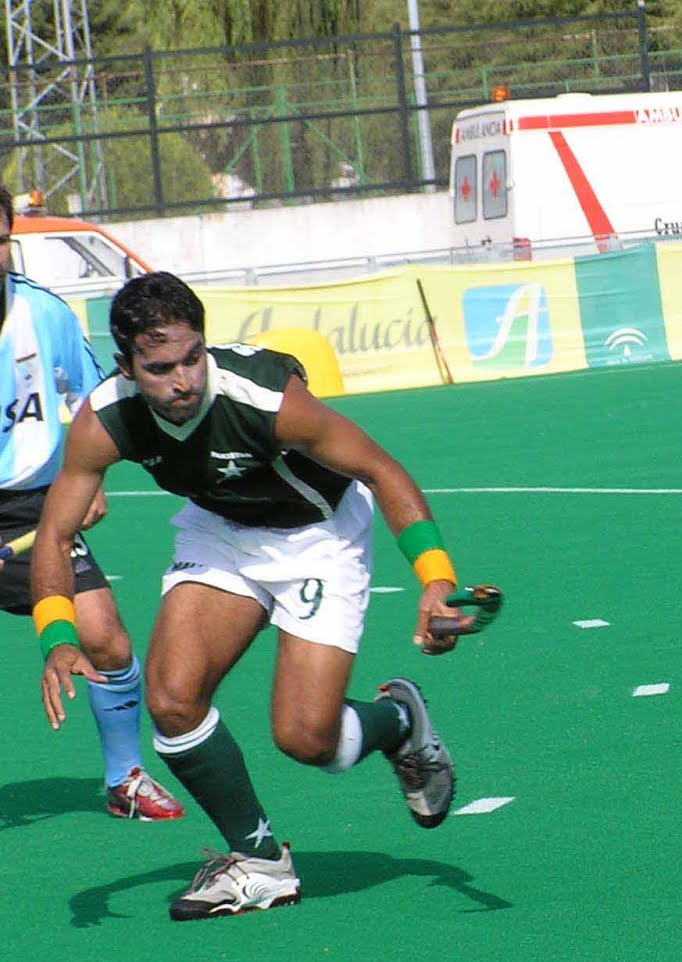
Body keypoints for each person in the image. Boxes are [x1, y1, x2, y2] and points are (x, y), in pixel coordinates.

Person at [34, 272, 464, 918]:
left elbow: (382, 468)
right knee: (172, 700)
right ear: (125, 365)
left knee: (306, 739)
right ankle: (260, 861)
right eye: (159, 369)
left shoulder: (266, 398)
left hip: (318, 536)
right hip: (220, 533)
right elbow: (54, 531)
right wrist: (58, 637)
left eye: (191, 358)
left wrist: (436, 578)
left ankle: (399, 721)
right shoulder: (105, 419)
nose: (182, 381)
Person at [0, 188, 182, 821]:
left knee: (104, 638)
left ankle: (123, 777)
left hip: (33, 507)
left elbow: (91, 397)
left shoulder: (43, 314)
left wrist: (90, 478)